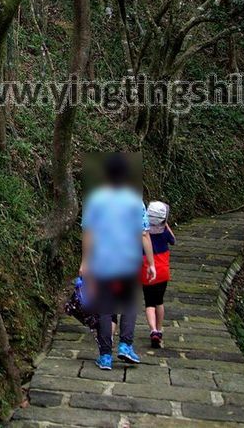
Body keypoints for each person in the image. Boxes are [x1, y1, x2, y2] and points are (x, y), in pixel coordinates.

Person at [79, 153, 155, 370]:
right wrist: (150, 263)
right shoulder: (135, 201)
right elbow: (143, 234)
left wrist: (85, 261)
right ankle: (125, 345)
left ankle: (104, 356)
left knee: (104, 306)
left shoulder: (95, 200)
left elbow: (89, 233)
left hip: (102, 259)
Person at [142, 200, 175, 348]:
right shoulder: (165, 232)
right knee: (159, 302)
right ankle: (160, 329)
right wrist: (166, 225)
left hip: (146, 269)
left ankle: (153, 329)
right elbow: (173, 240)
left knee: (149, 302)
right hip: (162, 271)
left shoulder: (144, 231)